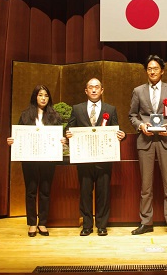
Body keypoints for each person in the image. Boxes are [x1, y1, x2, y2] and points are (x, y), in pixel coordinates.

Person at [128, 55, 167, 237]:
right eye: (149, 68)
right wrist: (140, 126)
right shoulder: (138, 91)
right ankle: (146, 222)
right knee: (146, 185)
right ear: (146, 71)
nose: (152, 71)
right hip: (146, 141)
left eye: (155, 68)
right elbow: (132, 116)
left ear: (162, 71)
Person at [65, 78, 125, 236]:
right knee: (85, 193)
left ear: (102, 90)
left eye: (96, 87)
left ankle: (102, 225)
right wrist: (68, 133)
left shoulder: (110, 109)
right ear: (86, 91)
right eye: (90, 87)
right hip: (84, 159)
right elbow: (69, 129)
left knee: (103, 193)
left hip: (104, 159)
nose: (93, 90)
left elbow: (116, 130)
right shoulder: (77, 109)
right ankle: (86, 225)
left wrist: (121, 135)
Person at [6, 85, 65, 237]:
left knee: (45, 190)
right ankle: (32, 223)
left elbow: (60, 135)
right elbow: (19, 134)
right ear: (35, 97)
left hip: (48, 159)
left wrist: (62, 140)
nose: (43, 98)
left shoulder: (54, 115)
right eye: (40, 95)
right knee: (31, 191)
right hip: (30, 159)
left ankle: (43, 222)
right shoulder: (26, 115)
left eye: (46, 95)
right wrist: (13, 140)